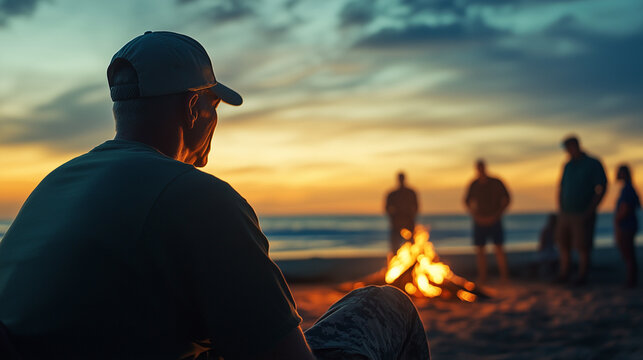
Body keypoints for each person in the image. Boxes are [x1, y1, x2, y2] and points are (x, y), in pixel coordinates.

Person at [0, 32, 430, 360]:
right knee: (386, 303)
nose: (214, 124)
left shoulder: (55, 185)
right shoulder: (200, 198)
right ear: (192, 110)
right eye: (214, 109)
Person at [555, 135, 607, 285]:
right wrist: (560, 206)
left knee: (583, 246)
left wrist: (591, 209)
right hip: (565, 212)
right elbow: (561, 186)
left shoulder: (592, 163)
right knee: (564, 244)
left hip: (582, 213)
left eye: (568, 148)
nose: (567, 151)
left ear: (575, 146)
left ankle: (582, 276)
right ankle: (565, 273)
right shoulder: (568, 165)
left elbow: (602, 187)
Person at [464, 159, 510, 283]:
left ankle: (504, 277)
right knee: (480, 250)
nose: (480, 170)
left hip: (495, 220)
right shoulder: (474, 184)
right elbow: (467, 202)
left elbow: (507, 199)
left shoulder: (496, 182)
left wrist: (497, 215)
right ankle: (483, 277)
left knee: (499, 248)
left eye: (481, 167)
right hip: (479, 221)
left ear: (485, 167)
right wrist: (476, 216)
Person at [614, 164, 640, 288]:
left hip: (626, 226)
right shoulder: (628, 188)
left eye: (619, 172)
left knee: (628, 253)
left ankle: (631, 281)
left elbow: (626, 208)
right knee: (629, 253)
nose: (616, 174)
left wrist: (617, 220)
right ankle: (631, 279)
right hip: (628, 225)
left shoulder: (627, 189)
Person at [385, 171, 419, 254]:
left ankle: (413, 263)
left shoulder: (410, 193)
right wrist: (393, 218)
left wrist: (411, 216)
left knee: (411, 245)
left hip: (408, 222)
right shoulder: (392, 194)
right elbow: (387, 208)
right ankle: (396, 262)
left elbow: (416, 207)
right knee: (395, 246)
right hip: (396, 223)